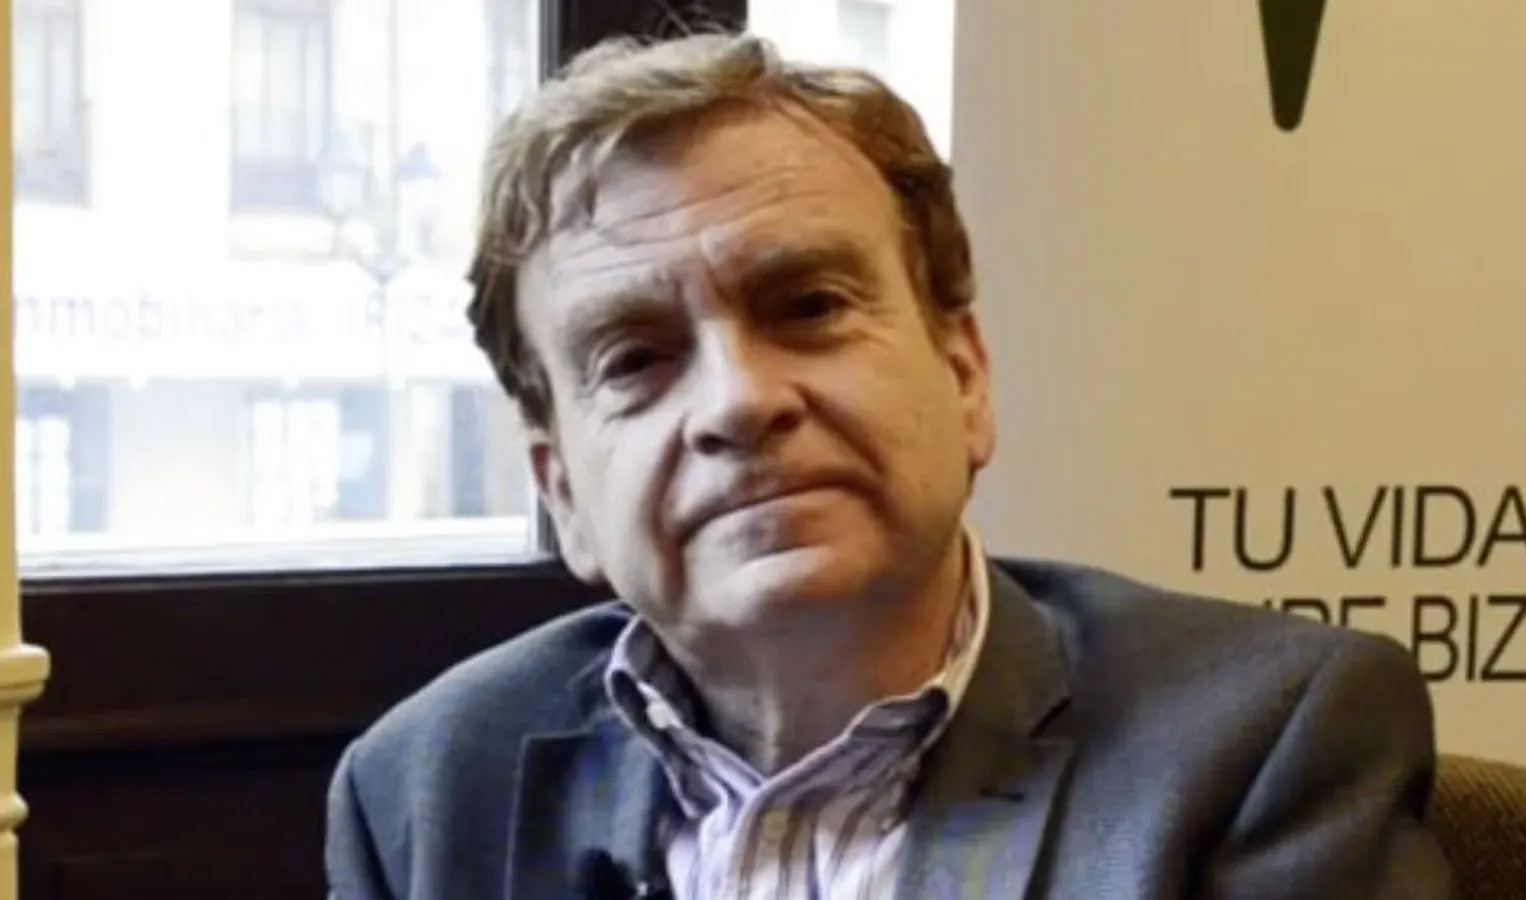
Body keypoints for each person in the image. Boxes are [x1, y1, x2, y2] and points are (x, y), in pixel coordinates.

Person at [325, 32, 1455, 900]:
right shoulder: (426, 790)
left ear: (963, 376)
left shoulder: (1260, 742)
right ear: (562, 490)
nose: (739, 402)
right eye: (635, 360)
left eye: (809, 307)